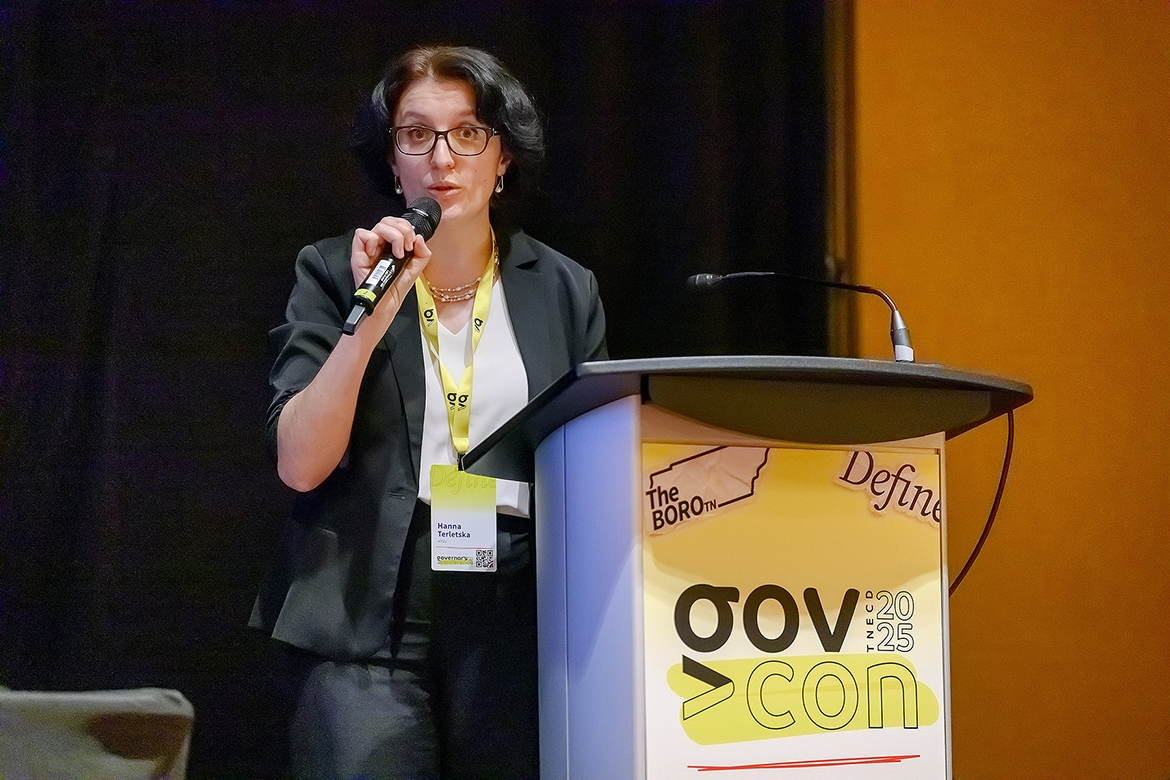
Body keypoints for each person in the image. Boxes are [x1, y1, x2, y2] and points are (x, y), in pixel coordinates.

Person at [250, 45, 607, 779]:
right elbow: (299, 461)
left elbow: (590, 464)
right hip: (367, 608)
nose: (442, 156)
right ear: (393, 160)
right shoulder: (331, 270)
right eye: (417, 134)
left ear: (502, 156)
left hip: (513, 610)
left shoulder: (565, 290)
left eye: (468, 132)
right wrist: (370, 316)